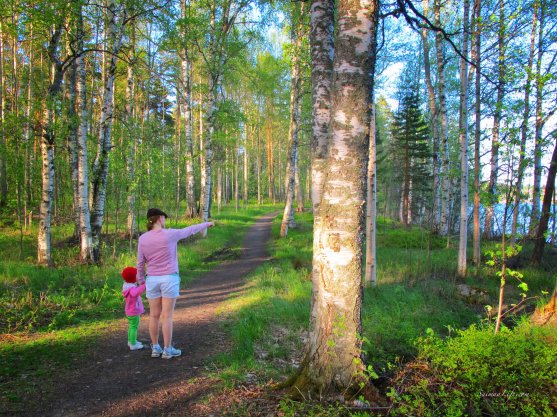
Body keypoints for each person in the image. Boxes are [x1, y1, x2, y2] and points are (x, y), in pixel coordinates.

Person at [137, 208, 214, 359]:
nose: (165, 221)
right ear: (160, 218)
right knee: (167, 316)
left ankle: (155, 348)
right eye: (164, 218)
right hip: (169, 279)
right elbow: (190, 230)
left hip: (152, 279)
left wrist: (141, 282)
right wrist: (207, 224)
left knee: (153, 316)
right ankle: (167, 349)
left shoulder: (143, 239)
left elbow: (140, 263)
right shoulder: (170, 234)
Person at [121, 266, 146, 351]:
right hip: (133, 311)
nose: (138, 277)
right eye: (137, 275)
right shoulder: (131, 288)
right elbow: (135, 293)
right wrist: (144, 285)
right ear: (132, 278)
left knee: (132, 326)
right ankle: (133, 344)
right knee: (134, 327)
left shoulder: (127, 285)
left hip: (130, 311)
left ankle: (131, 341)